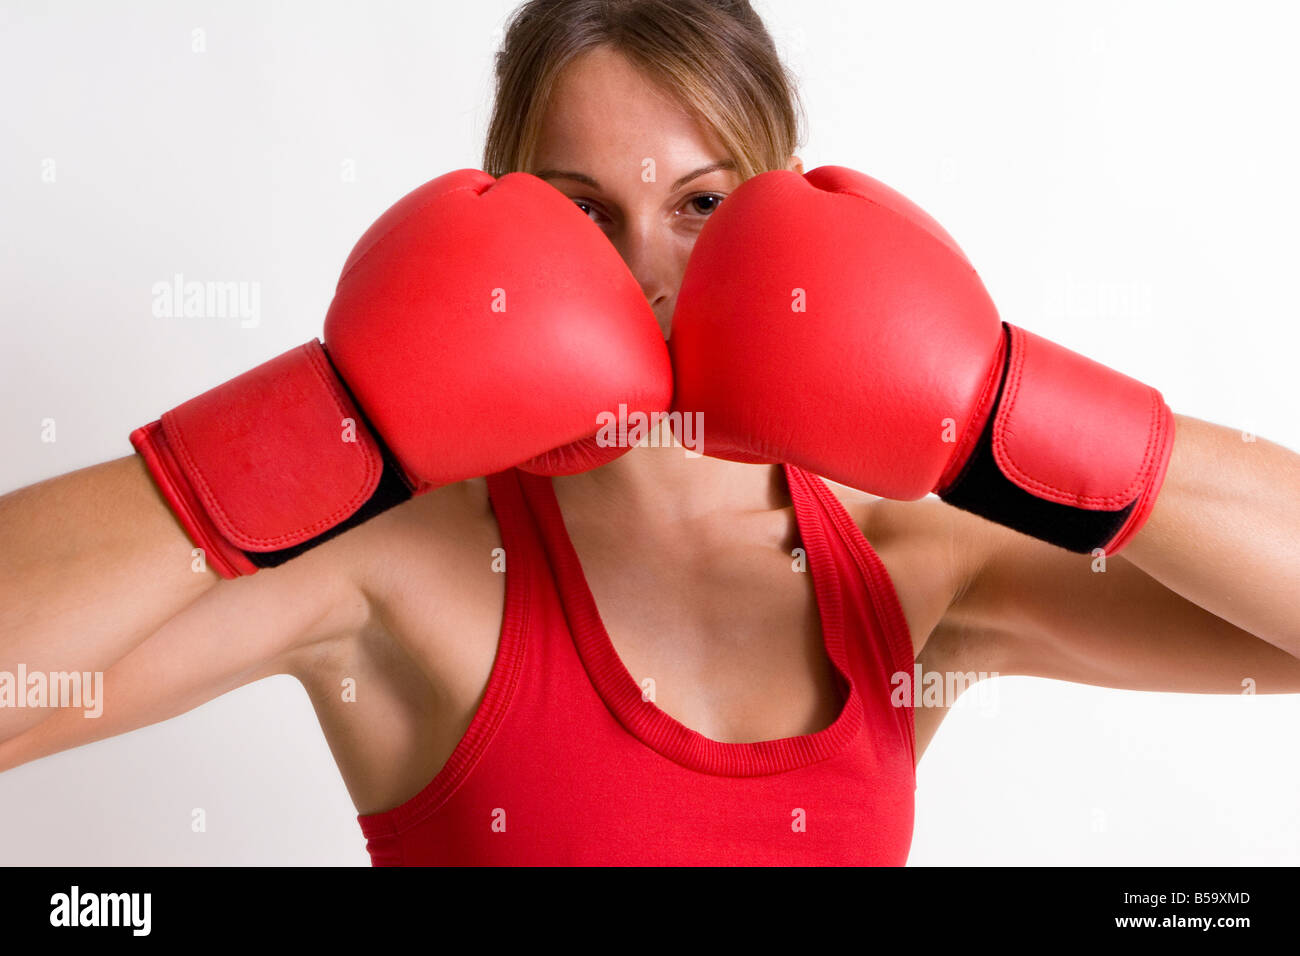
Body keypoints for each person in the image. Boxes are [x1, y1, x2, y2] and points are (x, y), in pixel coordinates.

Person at [2, 0, 1298, 866]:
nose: (647, 274)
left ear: (791, 205)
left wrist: (1005, 405)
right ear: (497, 215)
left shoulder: (909, 555)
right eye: (577, 212)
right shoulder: (399, 557)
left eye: (703, 203)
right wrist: (324, 429)